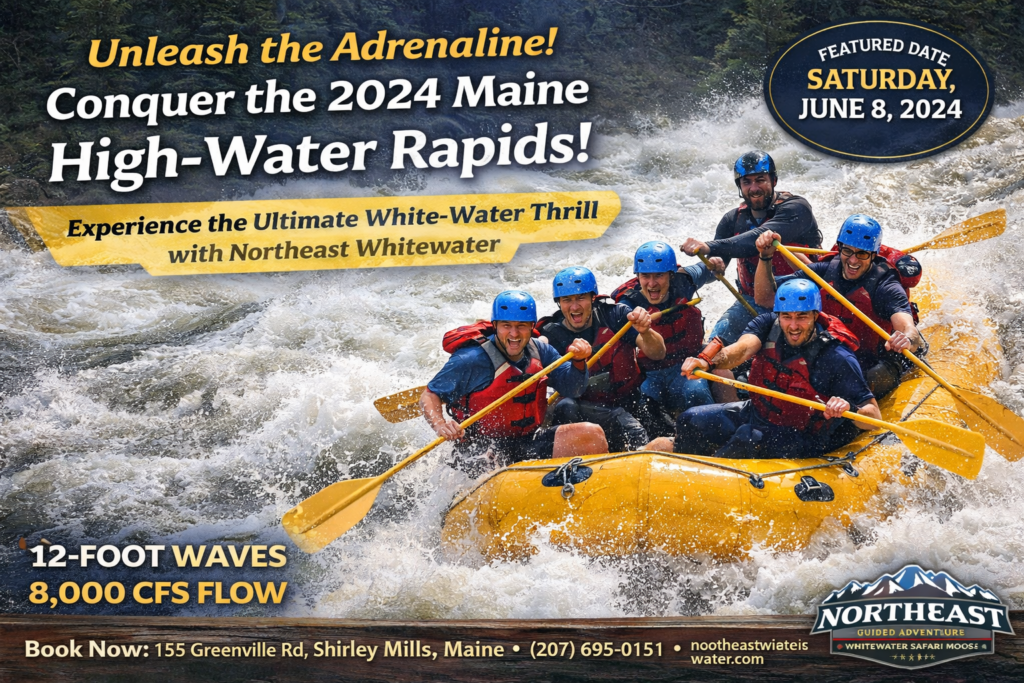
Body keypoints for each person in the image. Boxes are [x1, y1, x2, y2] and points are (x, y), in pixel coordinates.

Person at [647, 280, 881, 459]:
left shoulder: (836, 356)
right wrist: (708, 361)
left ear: (815, 316)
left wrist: (850, 408)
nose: (793, 325)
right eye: (787, 316)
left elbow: (874, 418)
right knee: (689, 419)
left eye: (802, 317)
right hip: (757, 413)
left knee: (746, 438)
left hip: (802, 434)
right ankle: (684, 466)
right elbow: (739, 350)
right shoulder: (768, 324)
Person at [421, 290, 608, 476]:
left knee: (593, 435)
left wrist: (578, 361)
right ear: (495, 326)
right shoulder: (470, 359)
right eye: (506, 325)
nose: (514, 333)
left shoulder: (540, 350)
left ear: (532, 326)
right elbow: (429, 395)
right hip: (479, 448)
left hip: (527, 440)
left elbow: (573, 388)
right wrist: (440, 424)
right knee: (489, 463)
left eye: (522, 326)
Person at [752, 214, 926, 398]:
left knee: (866, 380)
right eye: (848, 251)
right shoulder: (824, 271)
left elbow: (909, 329)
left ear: (873, 255)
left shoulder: (885, 286)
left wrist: (906, 339)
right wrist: (765, 257)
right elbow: (765, 298)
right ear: (839, 248)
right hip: (837, 350)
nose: (853, 260)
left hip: (877, 357)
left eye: (862, 254)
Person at [679, 150, 823, 345]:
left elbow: (753, 240)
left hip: (802, 302)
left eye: (760, 180)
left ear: (774, 180)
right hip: (752, 301)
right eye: (747, 182)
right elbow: (715, 267)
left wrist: (707, 247)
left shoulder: (796, 208)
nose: (754, 188)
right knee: (714, 346)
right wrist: (691, 274)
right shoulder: (732, 220)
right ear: (740, 186)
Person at [537, 266, 665, 451]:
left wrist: (646, 332)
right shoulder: (551, 335)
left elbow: (658, 353)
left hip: (629, 399)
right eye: (567, 300)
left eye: (581, 298)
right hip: (584, 409)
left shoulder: (615, 316)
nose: (575, 307)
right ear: (559, 303)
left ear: (592, 298)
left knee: (659, 431)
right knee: (566, 406)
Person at [611, 242, 723, 427]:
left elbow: (708, 268)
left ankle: (711, 437)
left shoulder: (684, 281)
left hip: (686, 366)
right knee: (643, 406)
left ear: (670, 275)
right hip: (649, 375)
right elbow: (655, 353)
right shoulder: (626, 307)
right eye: (645, 276)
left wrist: (715, 265)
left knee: (697, 392)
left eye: (659, 276)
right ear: (637, 276)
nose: (652, 283)